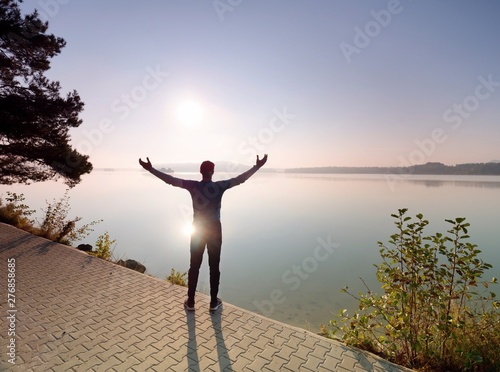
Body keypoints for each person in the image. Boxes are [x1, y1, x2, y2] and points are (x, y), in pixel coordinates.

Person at [138, 154, 268, 312]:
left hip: (198, 229)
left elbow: (170, 180)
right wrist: (257, 166)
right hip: (214, 229)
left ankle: (191, 302)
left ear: (201, 172)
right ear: (212, 172)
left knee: (194, 266)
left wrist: (151, 169)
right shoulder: (220, 186)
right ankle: (213, 302)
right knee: (214, 266)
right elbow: (240, 179)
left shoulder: (192, 186)